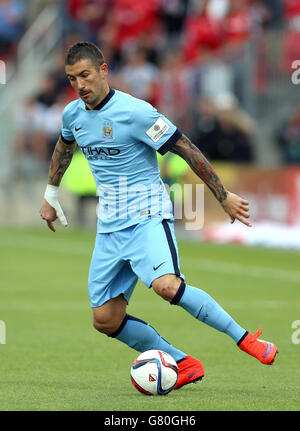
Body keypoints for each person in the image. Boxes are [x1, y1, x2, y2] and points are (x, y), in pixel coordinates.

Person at [40, 42, 278, 390]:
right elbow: (64, 145)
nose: (79, 85)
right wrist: (50, 194)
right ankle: (183, 363)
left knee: (167, 286)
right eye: (72, 78)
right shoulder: (72, 115)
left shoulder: (137, 113)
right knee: (105, 319)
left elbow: (185, 148)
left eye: (85, 75)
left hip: (146, 215)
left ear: (104, 71)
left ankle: (245, 339)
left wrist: (223, 195)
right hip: (109, 226)